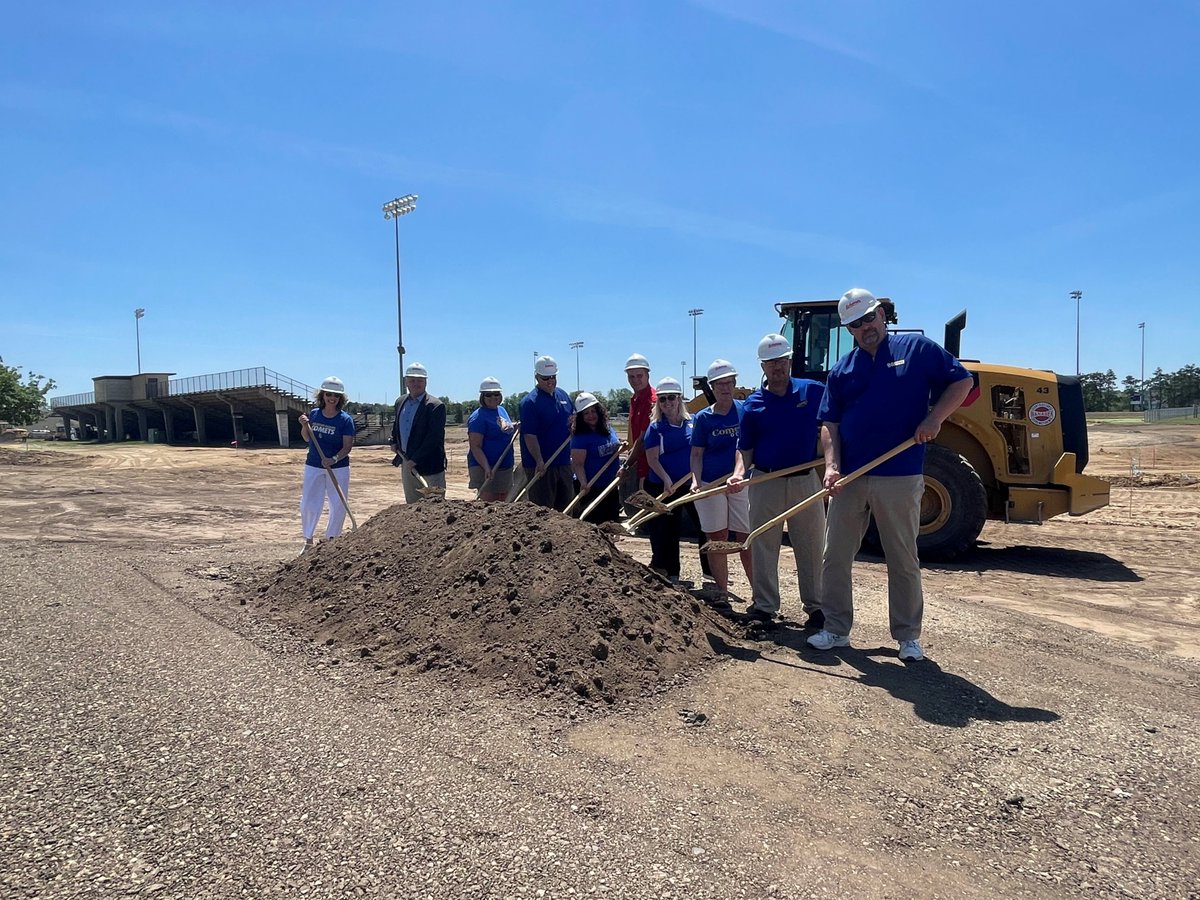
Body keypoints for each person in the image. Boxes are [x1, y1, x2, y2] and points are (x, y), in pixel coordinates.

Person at [807, 288, 974, 662]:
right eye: (855, 324)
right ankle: (835, 629)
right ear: (848, 329)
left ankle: (907, 636)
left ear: (882, 314)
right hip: (850, 477)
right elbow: (829, 422)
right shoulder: (843, 369)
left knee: (901, 557)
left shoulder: (917, 349)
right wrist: (832, 465)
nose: (864, 327)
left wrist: (934, 419)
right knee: (834, 556)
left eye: (868, 318)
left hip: (900, 473)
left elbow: (962, 382)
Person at [727, 333, 826, 627]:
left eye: (781, 361)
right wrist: (738, 473)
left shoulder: (813, 391)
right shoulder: (753, 405)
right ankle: (765, 606)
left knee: (810, 544)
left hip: (805, 480)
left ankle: (817, 607)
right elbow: (744, 449)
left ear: (790, 361)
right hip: (765, 481)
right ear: (762, 366)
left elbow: (835, 421)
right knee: (763, 544)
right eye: (770, 363)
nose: (777, 368)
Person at [689, 359, 752, 602]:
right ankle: (723, 594)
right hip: (711, 483)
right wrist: (696, 481)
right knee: (717, 538)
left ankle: (760, 597)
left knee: (746, 537)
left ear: (734, 384)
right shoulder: (704, 418)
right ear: (712, 388)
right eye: (720, 384)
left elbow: (747, 447)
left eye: (729, 383)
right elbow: (696, 454)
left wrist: (740, 474)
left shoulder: (744, 410)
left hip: (739, 482)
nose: (725, 388)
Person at [642, 377, 695, 582]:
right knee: (667, 531)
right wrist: (666, 479)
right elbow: (652, 459)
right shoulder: (656, 428)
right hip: (662, 485)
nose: (667, 403)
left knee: (704, 527)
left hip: (689, 484)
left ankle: (711, 576)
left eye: (671, 398)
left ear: (679, 399)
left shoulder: (692, 422)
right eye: (662, 400)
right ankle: (670, 573)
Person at [298, 376, 356, 551]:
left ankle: (331, 540)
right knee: (309, 502)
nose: (332, 398)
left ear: (340, 399)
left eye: (336, 395)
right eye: (329, 394)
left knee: (338, 503)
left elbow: (347, 447)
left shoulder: (345, 420)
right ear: (322, 395)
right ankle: (308, 540)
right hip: (314, 464)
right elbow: (307, 437)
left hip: (338, 467)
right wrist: (304, 425)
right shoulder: (314, 414)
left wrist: (334, 459)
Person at [519, 355, 575, 510]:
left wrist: (574, 425)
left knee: (565, 507)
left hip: (563, 461)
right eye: (545, 378)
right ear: (537, 377)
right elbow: (529, 435)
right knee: (543, 509)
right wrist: (539, 460)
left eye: (553, 377)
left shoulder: (563, 395)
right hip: (541, 465)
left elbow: (572, 419)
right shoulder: (530, 402)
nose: (550, 381)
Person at [390, 361, 446, 504]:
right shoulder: (400, 402)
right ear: (406, 382)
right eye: (412, 380)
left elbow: (434, 438)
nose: (416, 383)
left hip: (430, 467)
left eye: (420, 380)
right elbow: (396, 425)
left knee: (435, 509)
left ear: (425, 382)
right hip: (408, 466)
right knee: (412, 508)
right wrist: (394, 441)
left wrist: (415, 460)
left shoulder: (435, 406)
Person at [570, 392, 625, 523]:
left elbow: (612, 446)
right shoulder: (580, 437)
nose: (591, 416)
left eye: (593, 411)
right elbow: (578, 464)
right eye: (586, 413)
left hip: (610, 487)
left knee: (611, 524)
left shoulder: (608, 429)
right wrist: (584, 483)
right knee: (595, 526)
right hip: (591, 488)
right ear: (580, 416)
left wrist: (622, 445)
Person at [616, 353, 656, 509]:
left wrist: (626, 466)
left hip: (651, 465)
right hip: (639, 462)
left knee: (646, 510)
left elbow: (643, 439)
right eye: (631, 377)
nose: (635, 380)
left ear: (647, 375)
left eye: (639, 375)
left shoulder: (652, 401)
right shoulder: (635, 399)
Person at [467, 376, 516, 501]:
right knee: (489, 505)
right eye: (488, 395)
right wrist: (486, 467)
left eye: (496, 394)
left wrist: (516, 426)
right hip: (486, 468)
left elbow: (503, 428)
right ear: (482, 396)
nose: (493, 397)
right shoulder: (478, 417)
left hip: (504, 465)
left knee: (503, 504)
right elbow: (475, 447)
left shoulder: (501, 410)